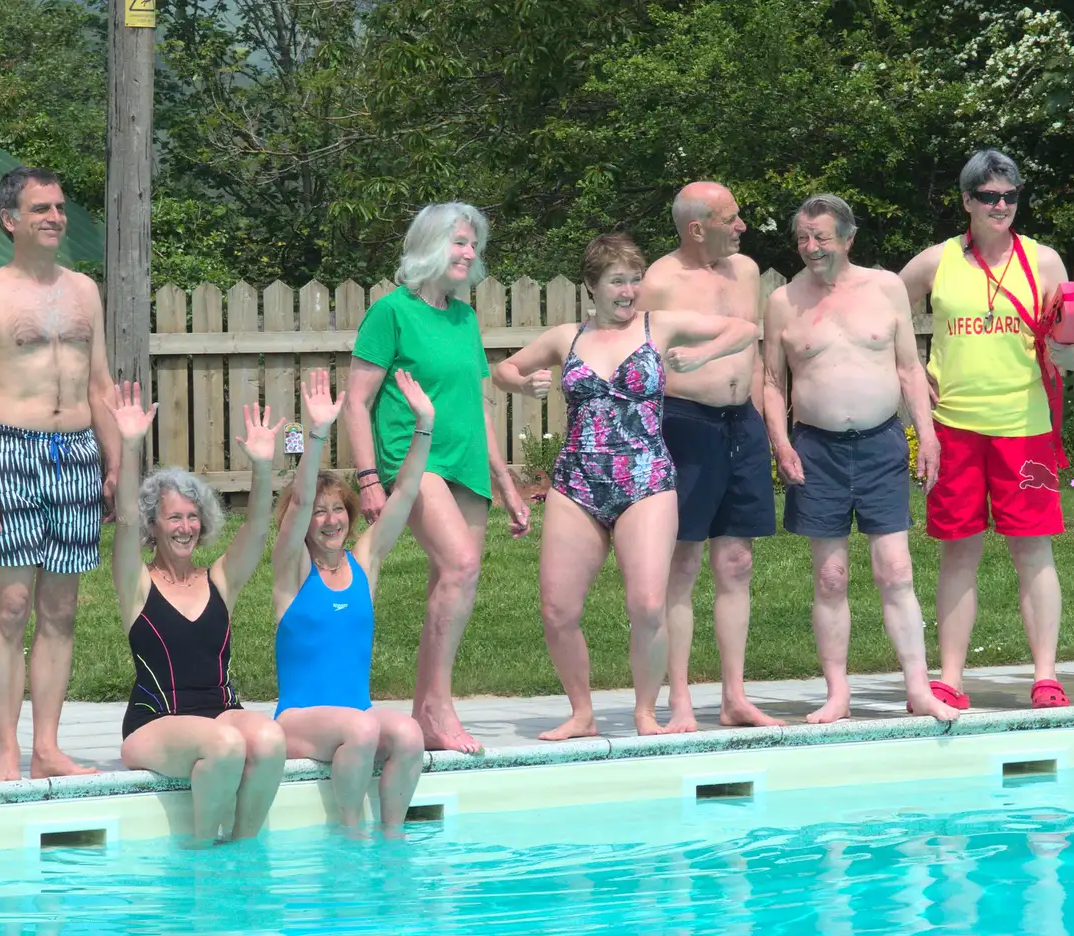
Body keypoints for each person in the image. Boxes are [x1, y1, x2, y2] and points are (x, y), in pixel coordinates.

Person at [492, 234, 758, 739]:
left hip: (646, 479)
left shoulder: (661, 326)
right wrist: (522, 384)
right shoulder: (565, 337)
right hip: (577, 481)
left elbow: (745, 329)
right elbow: (504, 369)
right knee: (558, 609)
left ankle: (643, 711)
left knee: (647, 605)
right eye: (618, 280)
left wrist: (703, 359)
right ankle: (582, 714)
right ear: (591, 285)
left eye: (635, 279)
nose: (630, 290)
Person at [900, 150, 1074, 710]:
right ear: (967, 201)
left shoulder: (1044, 261)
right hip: (953, 428)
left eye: (1009, 196)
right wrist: (904, 372)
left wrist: (1069, 349)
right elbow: (880, 315)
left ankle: (1046, 674)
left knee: (1034, 552)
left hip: (1026, 429)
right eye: (988, 196)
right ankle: (951, 678)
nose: (1000, 205)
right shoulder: (936, 262)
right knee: (958, 553)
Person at [341, 202, 530, 754]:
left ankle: (428, 705)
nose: (470, 254)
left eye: (474, 245)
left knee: (452, 582)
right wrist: (370, 478)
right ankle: (437, 707)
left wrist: (506, 481)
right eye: (459, 242)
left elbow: (476, 402)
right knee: (461, 564)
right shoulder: (390, 312)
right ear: (430, 244)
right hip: (413, 460)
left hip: (466, 462)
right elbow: (357, 401)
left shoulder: (463, 317)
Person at [0, 167, 122, 781]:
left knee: (61, 608)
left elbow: (100, 384)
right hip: (9, 451)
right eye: (41, 208)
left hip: (75, 451)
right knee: (12, 605)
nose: (55, 217)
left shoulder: (83, 291)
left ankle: (47, 746)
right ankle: (6, 751)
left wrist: (115, 463)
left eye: (59, 206)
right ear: (10, 220)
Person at [761, 195, 956, 724]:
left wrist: (928, 436)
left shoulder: (886, 288)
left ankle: (918, 688)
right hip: (815, 449)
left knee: (895, 570)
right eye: (802, 237)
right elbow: (773, 381)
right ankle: (838, 693)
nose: (810, 247)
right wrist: (780, 442)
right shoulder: (783, 301)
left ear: (848, 238)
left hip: (880, 444)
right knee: (830, 577)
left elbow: (911, 371)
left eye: (821, 237)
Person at [100, 382, 288, 843]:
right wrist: (128, 446)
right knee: (223, 746)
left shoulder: (220, 580)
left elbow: (260, 527)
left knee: (269, 740)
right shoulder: (137, 584)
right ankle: (204, 859)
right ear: (153, 525)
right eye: (173, 518)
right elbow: (123, 519)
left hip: (221, 713)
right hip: (155, 723)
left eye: (192, 516)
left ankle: (243, 850)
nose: (185, 528)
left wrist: (262, 469)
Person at [639, 182, 782, 731]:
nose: (742, 227)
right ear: (697, 228)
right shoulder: (659, 281)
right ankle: (678, 701)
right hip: (684, 425)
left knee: (736, 562)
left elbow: (754, 345)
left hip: (740, 424)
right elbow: (641, 363)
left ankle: (734, 696)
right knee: (683, 563)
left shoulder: (744, 271)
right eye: (732, 218)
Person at [271, 368, 431, 833]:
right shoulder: (294, 568)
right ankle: (349, 834)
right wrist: (317, 433)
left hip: (355, 718)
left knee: (407, 732)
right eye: (321, 512)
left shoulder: (364, 564)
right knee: (362, 729)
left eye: (338, 508)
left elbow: (404, 495)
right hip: (299, 721)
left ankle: (391, 838)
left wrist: (424, 425)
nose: (329, 519)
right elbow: (298, 505)